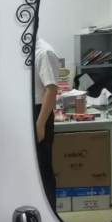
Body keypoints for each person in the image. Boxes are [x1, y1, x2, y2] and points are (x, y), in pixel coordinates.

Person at [34, 37, 61, 212]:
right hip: (29, 111)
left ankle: (50, 211)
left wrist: (40, 124)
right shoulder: (24, 52)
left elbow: (51, 90)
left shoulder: (44, 52)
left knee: (43, 168)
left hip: (39, 113)